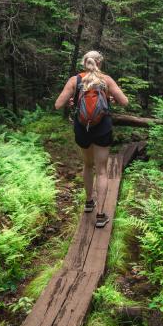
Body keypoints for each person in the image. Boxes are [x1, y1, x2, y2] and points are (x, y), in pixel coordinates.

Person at [54, 50, 129, 228]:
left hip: (82, 128)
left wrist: (74, 98)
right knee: (102, 170)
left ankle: (89, 202)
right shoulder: (106, 80)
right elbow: (125, 102)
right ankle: (101, 214)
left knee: (88, 165)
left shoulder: (75, 80)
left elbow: (57, 105)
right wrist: (109, 97)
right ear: (100, 63)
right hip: (102, 127)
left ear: (84, 63)